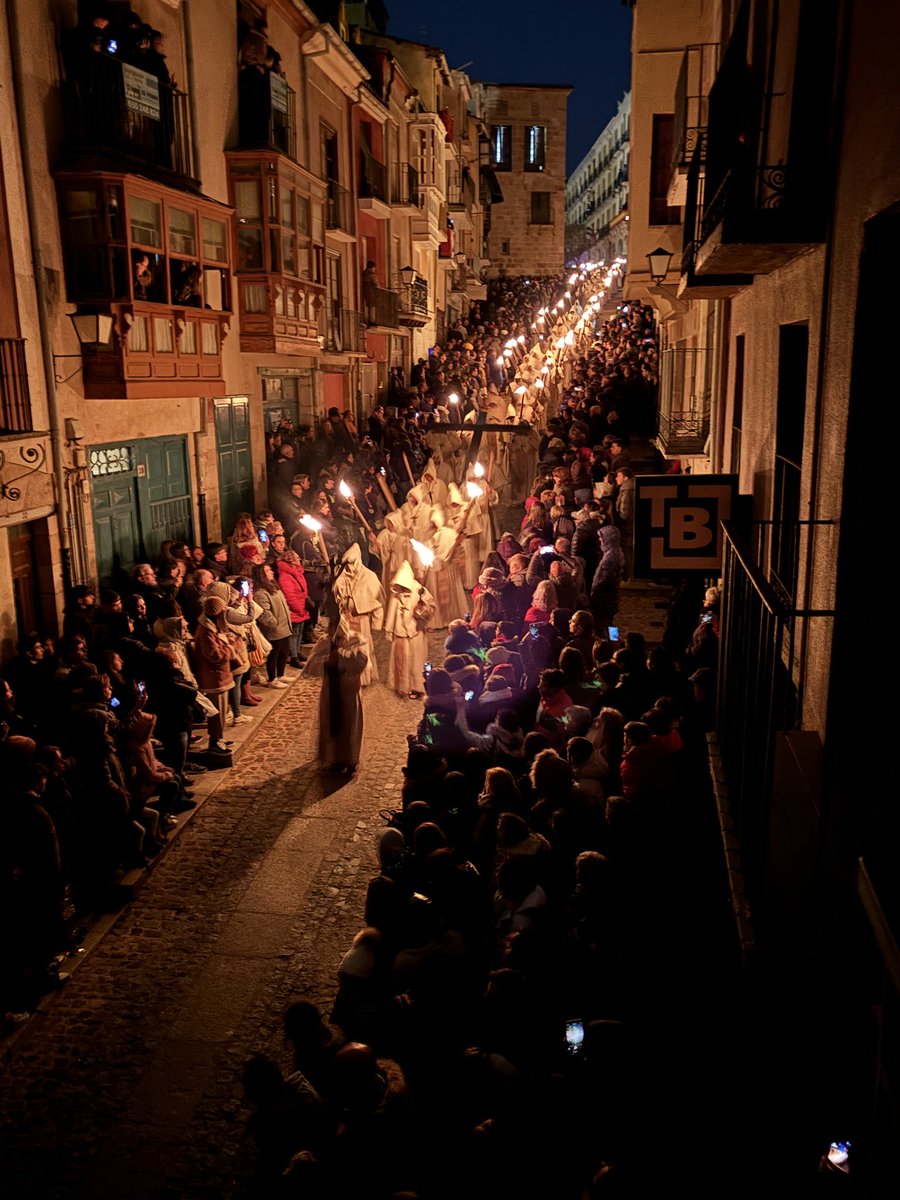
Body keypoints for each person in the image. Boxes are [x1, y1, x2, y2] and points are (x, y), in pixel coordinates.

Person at [317, 620, 368, 775]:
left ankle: (351, 760)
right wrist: (326, 662)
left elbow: (362, 663)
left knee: (349, 724)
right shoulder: (324, 642)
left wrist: (341, 659)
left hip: (348, 691)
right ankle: (334, 759)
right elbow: (312, 665)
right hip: (330, 691)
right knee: (331, 723)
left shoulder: (356, 641)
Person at [331, 543, 384, 688]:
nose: (350, 568)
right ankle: (349, 675)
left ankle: (364, 677)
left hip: (362, 619)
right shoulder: (343, 576)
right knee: (348, 647)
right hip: (347, 619)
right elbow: (337, 594)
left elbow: (377, 600)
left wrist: (377, 623)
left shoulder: (369, 576)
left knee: (363, 647)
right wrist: (341, 594)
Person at [383, 560, 435, 699]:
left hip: (415, 632)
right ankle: (401, 684)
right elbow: (391, 612)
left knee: (415, 661)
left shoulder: (420, 590)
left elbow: (430, 607)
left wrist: (423, 609)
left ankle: (416, 686)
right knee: (401, 660)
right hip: (400, 632)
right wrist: (389, 629)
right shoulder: (397, 594)